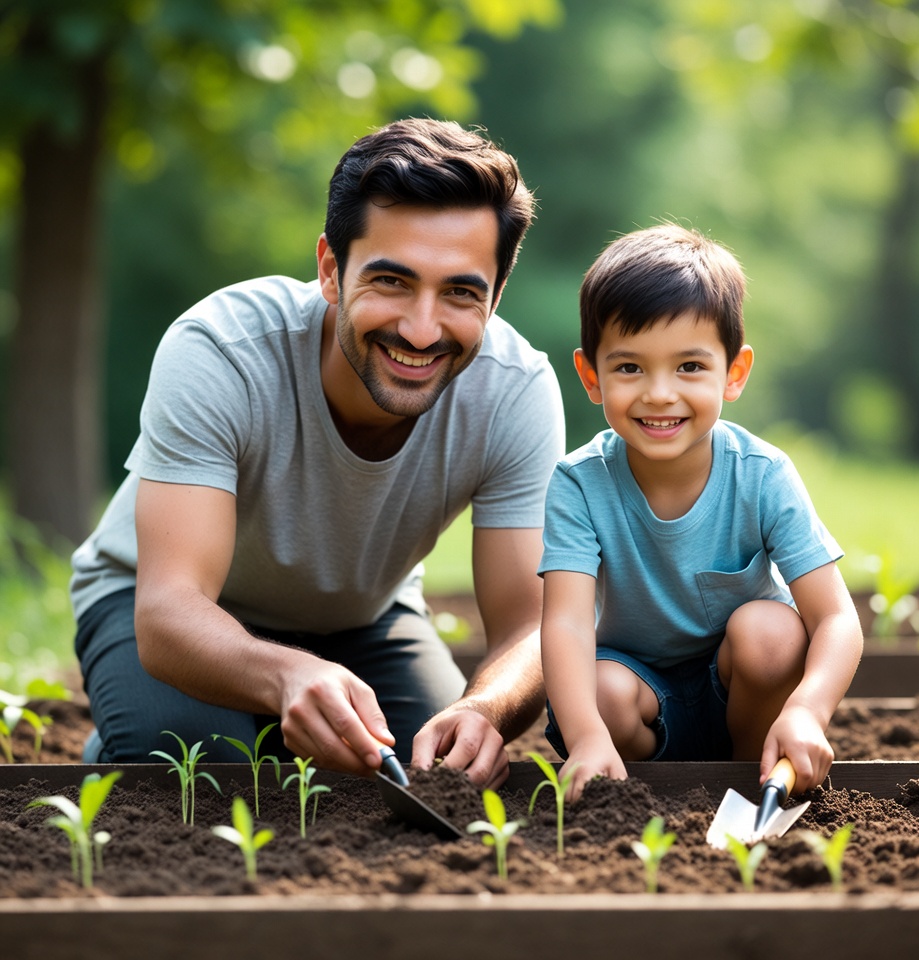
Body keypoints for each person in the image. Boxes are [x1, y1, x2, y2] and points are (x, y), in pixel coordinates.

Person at [70, 118, 565, 787]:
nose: (421, 330)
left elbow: (532, 629)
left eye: (460, 292)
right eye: (391, 281)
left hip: (363, 621)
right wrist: (285, 675)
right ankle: (126, 740)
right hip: (162, 605)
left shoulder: (515, 392)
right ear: (332, 270)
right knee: (199, 764)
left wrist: (486, 709)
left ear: (497, 294)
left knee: (435, 771)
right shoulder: (222, 351)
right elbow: (169, 611)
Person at [539, 223, 863, 801]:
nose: (660, 393)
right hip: (639, 690)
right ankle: (645, 785)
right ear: (591, 376)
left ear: (733, 373)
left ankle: (747, 778)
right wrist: (586, 736)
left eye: (689, 367)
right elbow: (564, 622)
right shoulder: (579, 483)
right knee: (600, 695)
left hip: (742, 696)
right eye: (629, 367)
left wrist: (809, 711)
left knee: (770, 631)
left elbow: (836, 618)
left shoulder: (760, 474)